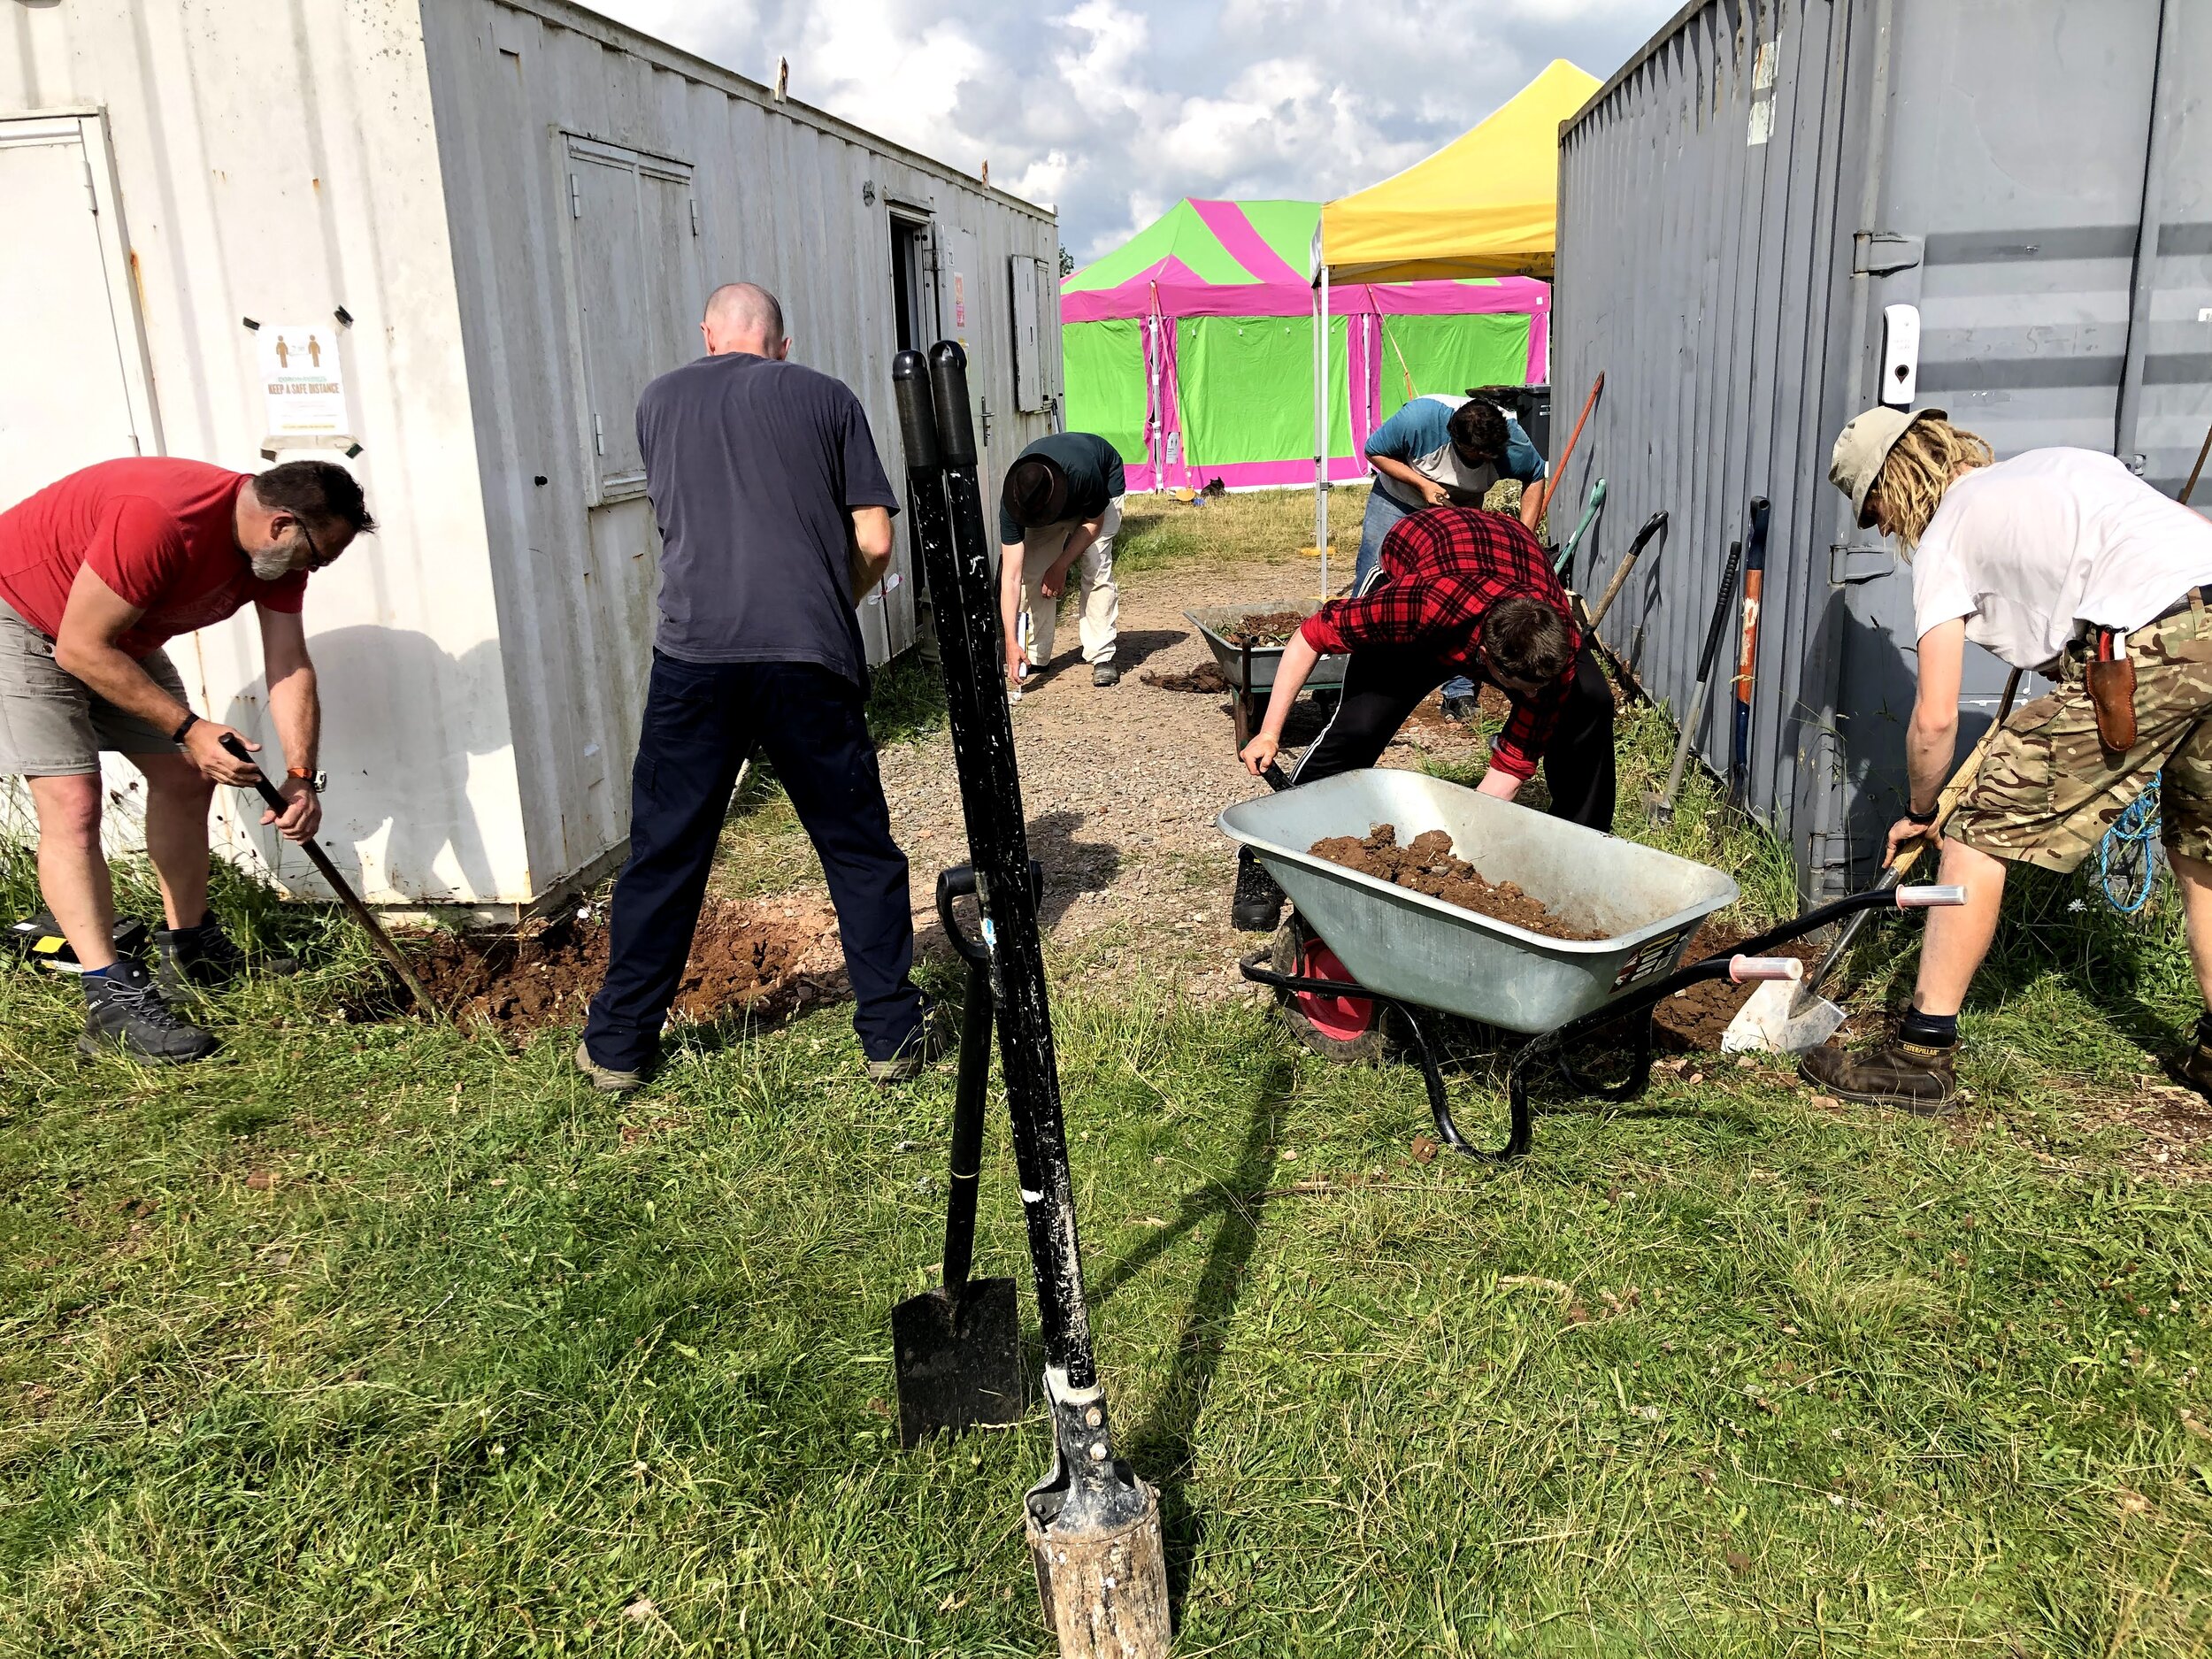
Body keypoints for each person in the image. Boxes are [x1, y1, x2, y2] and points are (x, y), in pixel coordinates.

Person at [578, 281, 940, 1094]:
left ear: (708, 335)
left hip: (694, 657)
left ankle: (619, 1047)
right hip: (807, 654)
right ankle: (890, 1035)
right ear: (782, 342)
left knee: (666, 851)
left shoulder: (658, 401)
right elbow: (876, 541)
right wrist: (827, 599)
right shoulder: (826, 397)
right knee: (855, 847)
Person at [1802, 407, 2212, 1112]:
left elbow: (1934, 718)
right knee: (2202, 846)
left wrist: (1923, 810)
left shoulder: (1947, 536)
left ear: (1892, 491)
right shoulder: (2053, 464)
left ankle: (1919, 1055)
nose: (1892, 533)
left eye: (1878, 515)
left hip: (2153, 643)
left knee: (1980, 821)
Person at [0, 457, 373, 1060]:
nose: (317, 569)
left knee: (185, 775)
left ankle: (190, 947)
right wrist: (190, 725)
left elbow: (289, 661)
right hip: (19, 616)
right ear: (281, 525)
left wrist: (302, 776)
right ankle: (109, 997)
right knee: (73, 803)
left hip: (112, 632)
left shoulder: (273, 558)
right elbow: (78, 647)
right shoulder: (164, 520)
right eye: (319, 555)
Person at [1230, 503, 1616, 931]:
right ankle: (1265, 858)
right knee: (1358, 729)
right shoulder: (1416, 607)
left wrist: (1457, 848)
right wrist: (1269, 733)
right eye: (1524, 688)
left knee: (1588, 699)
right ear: (1485, 658)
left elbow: (1513, 761)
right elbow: (1310, 636)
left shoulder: (1552, 646)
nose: (1534, 697)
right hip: (1423, 556)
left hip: (1509, 559)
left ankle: (1585, 846)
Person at [1357, 393, 1548, 721]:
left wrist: (1523, 535)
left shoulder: (1509, 441)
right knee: (1374, 581)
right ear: (1455, 438)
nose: (1486, 459)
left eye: (1491, 454)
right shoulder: (1420, 421)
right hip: (1397, 500)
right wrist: (1421, 483)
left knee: (1464, 597)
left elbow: (1535, 475)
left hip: (1459, 510)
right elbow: (1373, 450)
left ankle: (1458, 691)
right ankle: (1358, 678)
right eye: (1477, 454)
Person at [998, 431, 1125, 690]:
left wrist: (1061, 565)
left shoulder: (1083, 474)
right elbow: (1010, 577)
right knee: (1032, 572)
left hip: (1099, 491)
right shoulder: (1014, 499)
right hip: (1050, 497)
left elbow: (1094, 523)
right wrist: (1010, 641)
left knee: (1095, 566)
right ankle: (1034, 654)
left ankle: (1102, 655)